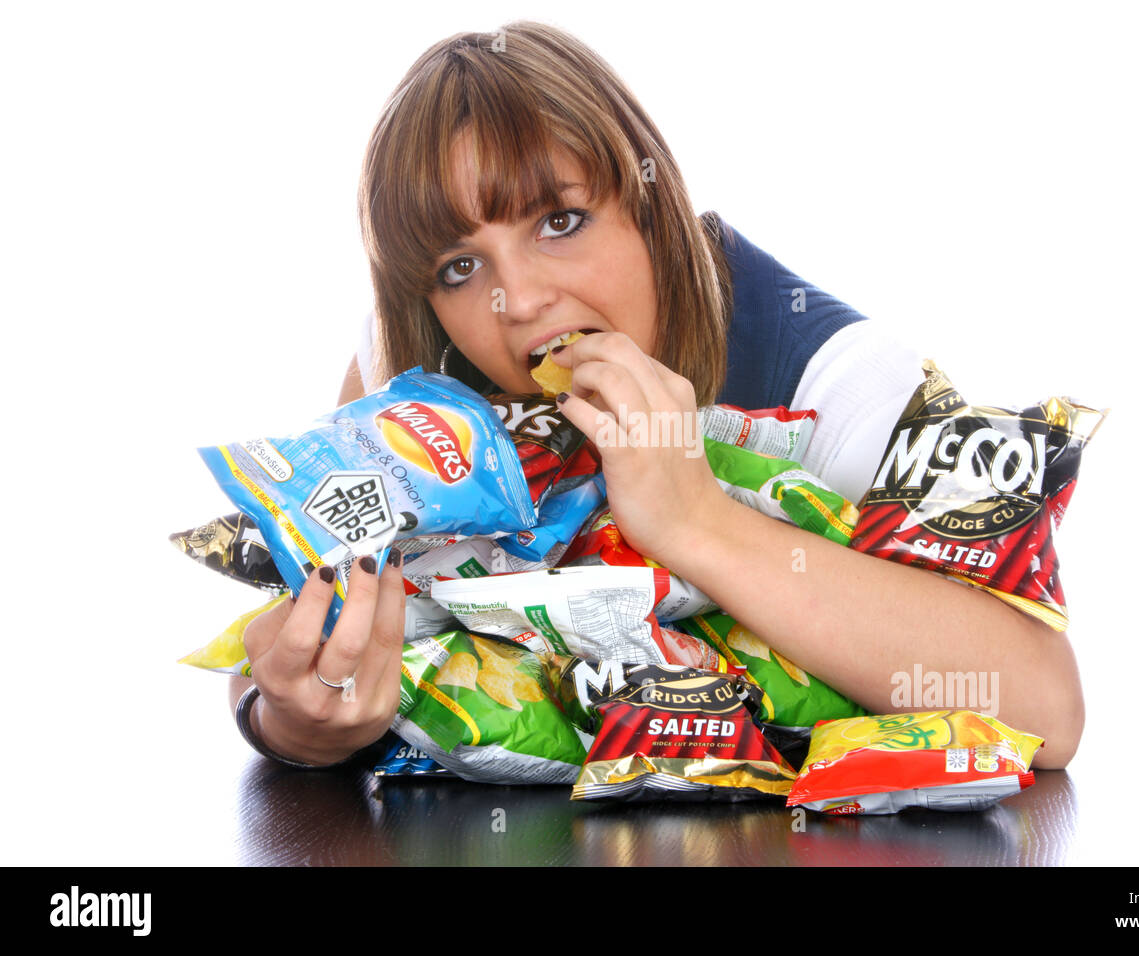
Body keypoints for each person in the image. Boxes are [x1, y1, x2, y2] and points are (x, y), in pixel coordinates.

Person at [230, 21, 1084, 771]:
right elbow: (283, 638)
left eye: (559, 222)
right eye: (461, 266)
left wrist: (693, 521)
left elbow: (1045, 713)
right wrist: (294, 725)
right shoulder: (413, 369)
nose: (516, 300)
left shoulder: (841, 381)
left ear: (652, 201)